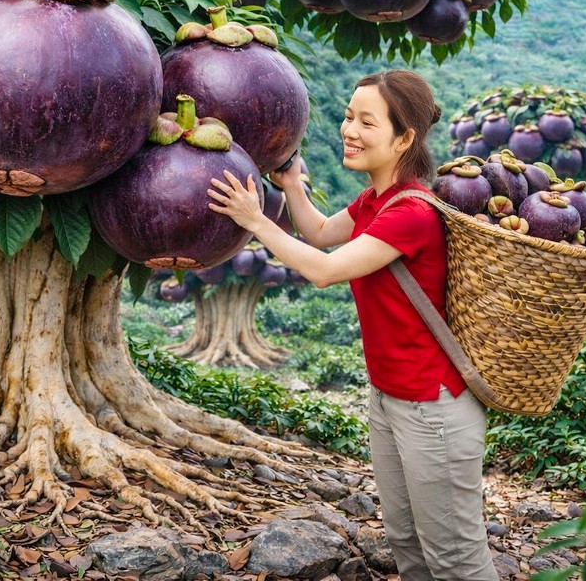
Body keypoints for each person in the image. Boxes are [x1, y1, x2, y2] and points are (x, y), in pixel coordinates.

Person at [207, 69, 497, 581]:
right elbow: (318, 234)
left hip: (433, 409)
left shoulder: (411, 213)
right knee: (407, 543)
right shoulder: (372, 202)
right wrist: (292, 187)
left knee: (455, 556)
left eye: (367, 122)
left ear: (404, 138)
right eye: (347, 116)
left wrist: (256, 220)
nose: (350, 130)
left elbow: (323, 271)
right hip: (389, 398)